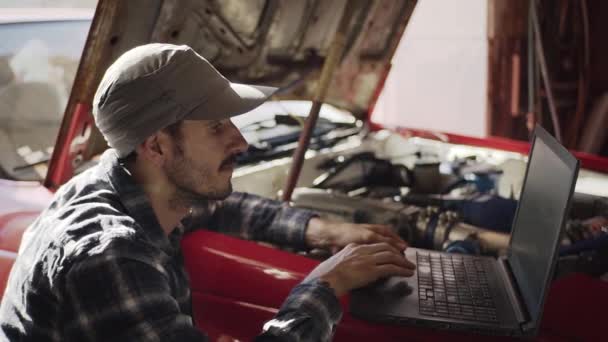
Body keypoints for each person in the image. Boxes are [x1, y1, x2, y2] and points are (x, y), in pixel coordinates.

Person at [0, 43, 416, 341]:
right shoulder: (111, 255)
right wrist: (326, 284)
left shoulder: (127, 181)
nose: (241, 141)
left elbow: (218, 206)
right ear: (157, 146)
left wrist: (323, 231)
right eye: (217, 127)